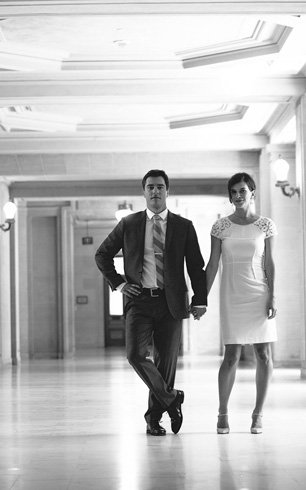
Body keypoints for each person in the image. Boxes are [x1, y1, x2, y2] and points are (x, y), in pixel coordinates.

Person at [95, 169, 208, 436]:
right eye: (150, 187)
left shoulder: (183, 226)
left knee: (165, 364)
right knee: (135, 354)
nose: (155, 191)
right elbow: (102, 255)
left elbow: (196, 265)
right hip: (140, 301)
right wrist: (120, 283)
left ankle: (153, 419)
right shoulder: (130, 224)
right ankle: (172, 399)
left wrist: (200, 299)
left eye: (160, 187)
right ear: (143, 192)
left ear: (167, 191)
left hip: (171, 303)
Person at [205, 172, 277, 434]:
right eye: (233, 191)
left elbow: (270, 263)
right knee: (232, 355)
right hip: (231, 293)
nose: (237, 196)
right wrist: (201, 298)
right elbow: (212, 264)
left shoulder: (266, 225)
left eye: (242, 191)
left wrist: (273, 295)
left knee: (263, 354)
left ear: (252, 193)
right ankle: (222, 413)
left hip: (259, 292)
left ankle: (258, 414)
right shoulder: (220, 227)